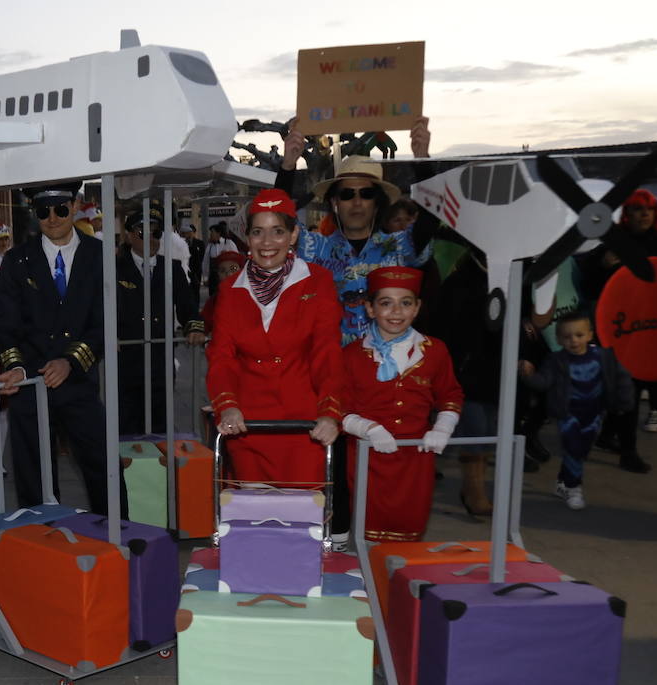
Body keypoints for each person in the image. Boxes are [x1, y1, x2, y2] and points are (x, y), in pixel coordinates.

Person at [0, 182, 126, 515]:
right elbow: (6, 324)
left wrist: (71, 361)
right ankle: (42, 546)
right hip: (29, 387)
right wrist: (17, 368)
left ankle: (116, 540)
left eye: (60, 209)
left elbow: (107, 320)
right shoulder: (16, 260)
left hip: (79, 383)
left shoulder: (99, 256)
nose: (52, 218)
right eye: (43, 211)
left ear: (75, 205)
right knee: (33, 479)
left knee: (103, 467)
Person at [207, 189, 344, 487]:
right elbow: (221, 356)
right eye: (258, 232)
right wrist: (227, 404)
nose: (267, 243)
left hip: (305, 426)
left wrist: (329, 412)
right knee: (251, 523)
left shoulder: (318, 281)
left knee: (302, 522)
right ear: (248, 236)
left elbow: (327, 352)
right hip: (246, 425)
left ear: (293, 234)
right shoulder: (231, 289)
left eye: (277, 231)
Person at [278, 117, 434, 346]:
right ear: (335, 203)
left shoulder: (400, 246)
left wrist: (422, 161)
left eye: (367, 194)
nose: (357, 202)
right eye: (347, 194)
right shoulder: (314, 248)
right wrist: (288, 165)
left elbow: (430, 219)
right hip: (332, 371)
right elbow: (278, 221)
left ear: (378, 203)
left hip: (389, 373)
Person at [340, 267, 464, 541]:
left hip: (415, 459)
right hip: (366, 458)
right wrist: (368, 428)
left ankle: (399, 580)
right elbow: (337, 409)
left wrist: (442, 428)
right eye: (386, 303)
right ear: (370, 309)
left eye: (405, 303)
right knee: (366, 531)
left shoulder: (435, 351)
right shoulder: (351, 356)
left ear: (417, 308)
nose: (396, 311)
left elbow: (450, 396)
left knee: (410, 527)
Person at [576, 187, 657, 459]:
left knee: (631, 387)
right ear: (627, 214)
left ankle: (608, 436)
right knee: (628, 387)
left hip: (653, 325)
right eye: (638, 210)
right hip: (619, 327)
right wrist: (603, 265)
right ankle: (628, 451)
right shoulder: (613, 242)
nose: (644, 215)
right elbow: (589, 287)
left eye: (648, 210)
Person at [519, 312, 637, 509]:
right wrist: (528, 376)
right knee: (573, 448)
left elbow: (622, 378)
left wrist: (624, 402)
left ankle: (562, 483)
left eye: (579, 335)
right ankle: (573, 488)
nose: (574, 340)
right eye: (567, 337)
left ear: (590, 334)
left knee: (580, 451)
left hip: (594, 414)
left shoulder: (603, 356)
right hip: (568, 414)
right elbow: (543, 382)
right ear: (558, 339)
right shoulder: (556, 361)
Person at [115, 203, 202, 435]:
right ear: (129, 235)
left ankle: (161, 470)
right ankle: (126, 470)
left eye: (156, 232)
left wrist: (193, 327)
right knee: (127, 426)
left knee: (161, 423)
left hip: (160, 359)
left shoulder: (171, 268)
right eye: (143, 232)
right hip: (126, 360)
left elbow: (188, 306)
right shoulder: (114, 268)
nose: (151, 238)